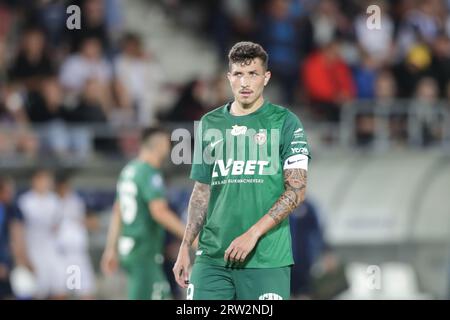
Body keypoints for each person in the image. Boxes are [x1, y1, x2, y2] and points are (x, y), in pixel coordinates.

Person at [173, 41, 311, 300]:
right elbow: (202, 191)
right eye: (238, 74)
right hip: (212, 259)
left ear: (266, 78)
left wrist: (252, 234)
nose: (245, 82)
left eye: (253, 74)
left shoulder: (286, 122)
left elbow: (296, 190)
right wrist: (185, 246)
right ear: (229, 78)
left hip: (266, 258)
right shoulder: (210, 123)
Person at [101, 127, 187, 300]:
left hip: (130, 248)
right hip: (143, 250)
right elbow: (159, 212)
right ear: (161, 145)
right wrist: (190, 237)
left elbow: (118, 211)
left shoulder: (129, 170)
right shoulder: (149, 173)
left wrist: (110, 248)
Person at [18, 169, 67, 299]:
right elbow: (19, 229)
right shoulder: (25, 201)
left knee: (60, 285)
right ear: (35, 181)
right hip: (32, 248)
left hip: (51, 248)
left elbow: (58, 225)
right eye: (42, 180)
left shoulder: (55, 201)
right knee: (37, 289)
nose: (45, 183)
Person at [55, 172, 96, 299]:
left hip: (78, 254)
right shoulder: (52, 202)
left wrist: (81, 221)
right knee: (61, 292)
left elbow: (94, 223)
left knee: (85, 291)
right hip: (61, 255)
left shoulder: (77, 201)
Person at [0, 176, 33, 299]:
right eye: (8, 191)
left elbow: (17, 238)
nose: (11, 194)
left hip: (9, 264)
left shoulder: (12, 209)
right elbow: (17, 239)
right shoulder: (9, 210)